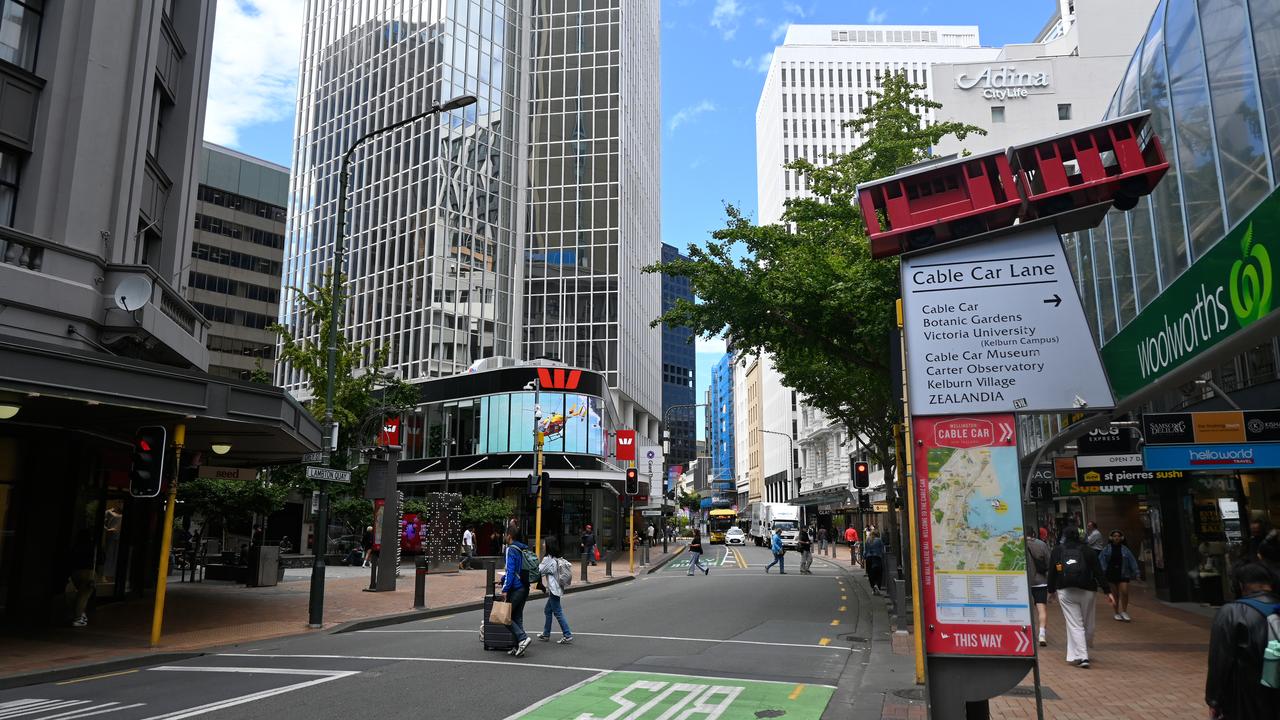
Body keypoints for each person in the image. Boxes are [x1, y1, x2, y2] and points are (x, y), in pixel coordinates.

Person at [1206, 563, 1280, 719]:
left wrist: (1214, 700)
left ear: (1240, 585)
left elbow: (1219, 660)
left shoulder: (1231, 612)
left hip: (1247, 697)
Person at [1047, 528, 1111, 669]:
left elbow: (1052, 571)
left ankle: (1082, 656)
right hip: (1087, 590)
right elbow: (1098, 571)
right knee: (1088, 623)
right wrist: (1107, 591)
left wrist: (1051, 590)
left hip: (1065, 590)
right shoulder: (1088, 551)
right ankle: (1083, 649)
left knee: (1074, 624)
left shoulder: (1058, 550)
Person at [501, 528, 534, 657]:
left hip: (516, 587)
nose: (504, 536)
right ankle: (518, 646)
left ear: (509, 536)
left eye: (505, 534)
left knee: (505, 616)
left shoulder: (511, 549)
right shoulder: (524, 548)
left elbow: (510, 570)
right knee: (517, 617)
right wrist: (503, 580)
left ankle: (522, 638)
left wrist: (505, 588)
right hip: (525, 586)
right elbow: (518, 569)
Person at [537, 537, 574, 644]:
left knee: (557, 612)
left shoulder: (548, 559)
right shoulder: (557, 558)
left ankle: (567, 634)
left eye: (544, 544)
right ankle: (546, 634)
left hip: (554, 589)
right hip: (557, 588)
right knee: (548, 610)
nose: (543, 545)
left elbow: (539, 571)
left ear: (548, 546)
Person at [1098, 529, 1140, 622]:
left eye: (1118, 536)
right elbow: (1101, 561)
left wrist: (1136, 572)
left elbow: (1132, 560)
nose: (1116, 537)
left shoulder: (1125, 549)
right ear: (1111, 538)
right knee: (1115, 595)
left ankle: (1124, 611)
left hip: (1123, 573)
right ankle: (1116, 612)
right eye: (1114, 536)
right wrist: (1102, 571)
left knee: (1124, 592)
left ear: (1121, 538)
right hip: (1111, 573)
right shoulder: (1106, 549)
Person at [1026, 529, 1051, 646]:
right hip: (1041, 581)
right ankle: (1042, 634)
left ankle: (1026, 633)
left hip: (1024, 582)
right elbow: (1049, 562)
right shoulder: (1042, 544)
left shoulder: (1018, 544)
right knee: (1042, 609)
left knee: (1026, 610)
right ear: (1034, 535)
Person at [68, 530, 95, 628]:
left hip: (75, 572)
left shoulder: (75, 547)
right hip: (87, 571)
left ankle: (80, 615)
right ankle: (78, 617)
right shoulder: (91, 546)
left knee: (80, 594)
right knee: (84, 596)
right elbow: (100, 558)